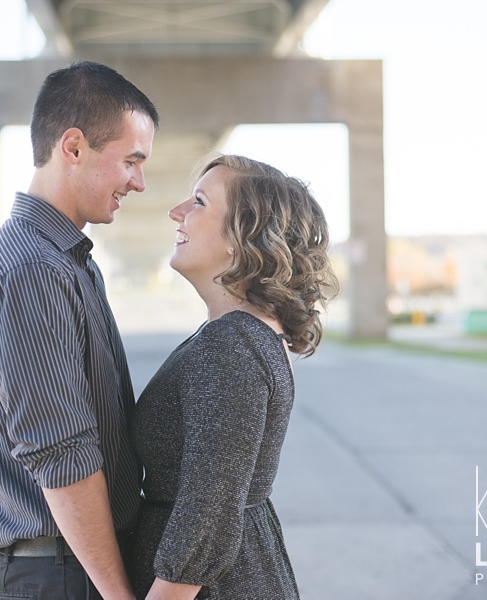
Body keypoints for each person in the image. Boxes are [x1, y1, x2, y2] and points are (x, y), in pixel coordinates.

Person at [0, 61, 158, 600]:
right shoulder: (32, 270)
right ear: (73, 147)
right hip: (65, 576)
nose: (139, 182)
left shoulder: (65, 260)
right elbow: (61, 454)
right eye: (131, 161)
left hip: (76, 567)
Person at [130, 154, 341, 599]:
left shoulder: (231, 347)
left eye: (200, 202)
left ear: (242, 238)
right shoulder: (252, 335)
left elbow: (206, 515)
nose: (176, 211)